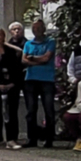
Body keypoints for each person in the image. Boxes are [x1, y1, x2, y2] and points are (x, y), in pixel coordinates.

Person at [20, 18, 58, 148]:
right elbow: (24, 60)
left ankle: (49, 139)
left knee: (48, 109)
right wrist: (37, 60)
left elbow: (46, 58)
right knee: (31, 110)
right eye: (34, 28)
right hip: (30, 79)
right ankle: (32, 139)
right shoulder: (28, 44)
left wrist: (32, 59)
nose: (37, 31)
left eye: (39, 28)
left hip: (47, 79)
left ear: (44, 29)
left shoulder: (50, 42)